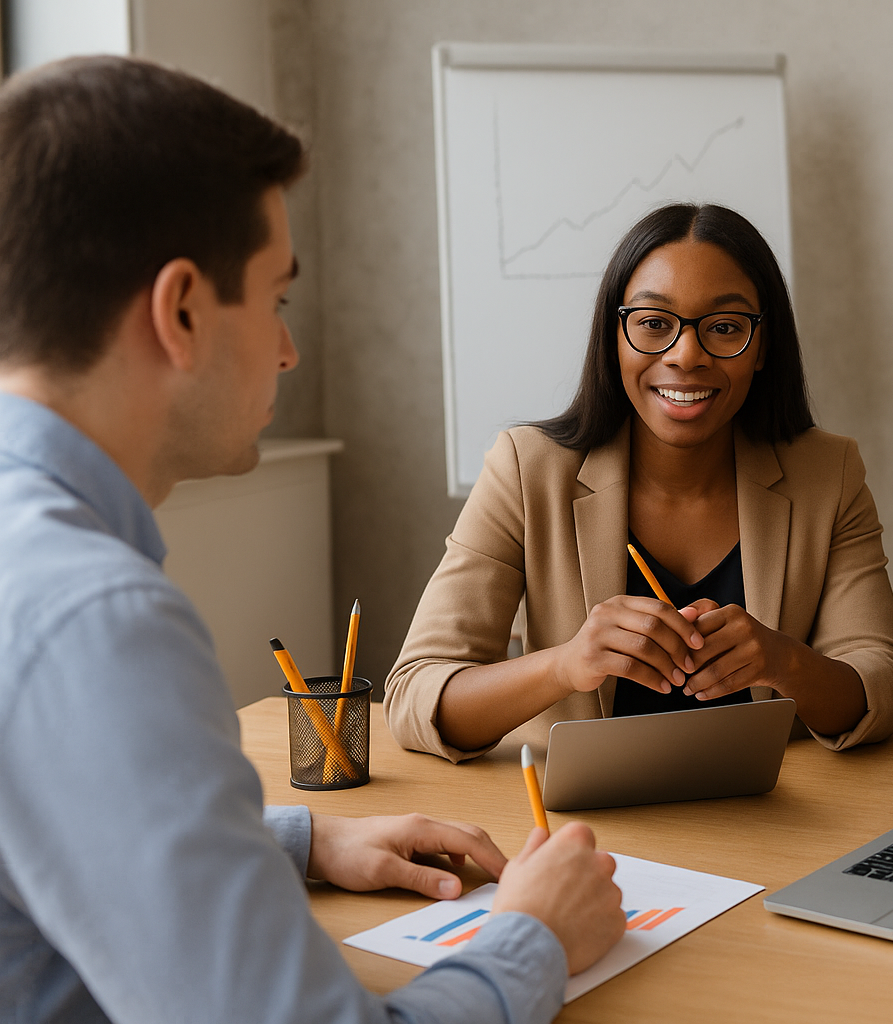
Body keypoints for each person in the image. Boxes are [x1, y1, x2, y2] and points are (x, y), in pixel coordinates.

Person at [0, 56, 624, 1024]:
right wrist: (535, 932)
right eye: (277, 298)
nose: (289, 349)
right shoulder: (94, 621)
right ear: (180, 311)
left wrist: (299, 842)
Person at [386, 204, 893, 761]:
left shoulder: (827, 474)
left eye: (726, 328)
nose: (686, 355)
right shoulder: (527, 468)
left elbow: (883, 684)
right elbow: (416, 696)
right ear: (614, 338)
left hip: (770, 829)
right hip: (583, 832)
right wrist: (567, 664)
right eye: (653, 324)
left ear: (762, 347)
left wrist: (784, 661)